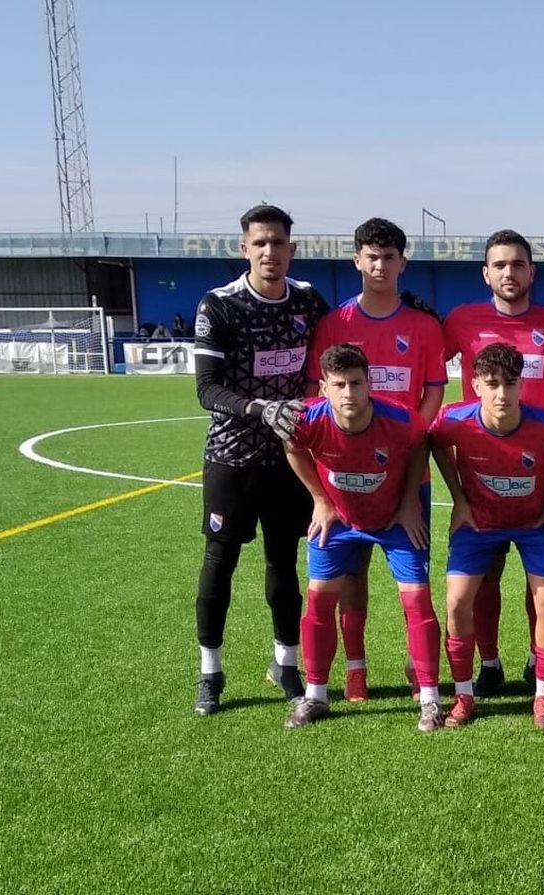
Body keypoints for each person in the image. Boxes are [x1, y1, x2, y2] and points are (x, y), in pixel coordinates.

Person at [190, 204, 331, 716]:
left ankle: (286, 664)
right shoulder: (220, 305)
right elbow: (207, 389)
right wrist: (260, 408)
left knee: (283, 562)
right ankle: (211, 672)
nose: (270, 252)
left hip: (289, 458)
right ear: (244, 248)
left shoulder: (309, 300)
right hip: (232, 457)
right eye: (260, 243)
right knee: (220, 562)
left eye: (278, 243)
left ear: (292, 249)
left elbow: (337, 347)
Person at [304, 218, 447, 703]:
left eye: (389, 257)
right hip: (344, 474)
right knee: (349, 574)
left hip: (406, 473)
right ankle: (355, 667)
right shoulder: (335, 324)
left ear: (402, 263)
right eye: (372, 256)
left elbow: (432, 394)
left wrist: (406, 444)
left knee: (412, 577)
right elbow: (317, 395)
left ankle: (417, 667)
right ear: (357, 261)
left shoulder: (424, 326)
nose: (380, 265)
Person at [282, 344, 439, 731]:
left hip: (396, 517)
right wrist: (320, 500)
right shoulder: (307, 419)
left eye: (356, 383)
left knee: (417, 599)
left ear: (369, 384)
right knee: (318, 600)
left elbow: (421, 445)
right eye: (339, 385)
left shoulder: (400, 419)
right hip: (339, 517)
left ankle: (430, 698)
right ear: (324, 388)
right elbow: (292, 446)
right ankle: (316, 696)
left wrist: (408, 503)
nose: (349, 393)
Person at [443, 230, 544, 697]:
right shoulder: (462, 320)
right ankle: (489, 662)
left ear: (531, 272)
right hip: (481, 476)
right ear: (486, 273)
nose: (509, 273)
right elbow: (428, 372)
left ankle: (540, 660)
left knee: (542, 583)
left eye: (518, 264)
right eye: (499, 265)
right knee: (485, 579)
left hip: (538, 478)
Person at [429, 343, 544, 728]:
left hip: (533, 524)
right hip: (478, 523)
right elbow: (434, 442)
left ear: (521, 385)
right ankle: (464, 695)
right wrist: (459, 498)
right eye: (492, 384)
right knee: (457, 602)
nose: (501, 393)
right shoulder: (455, 419)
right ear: (476, 384)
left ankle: (543, 696)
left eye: (510, 383)